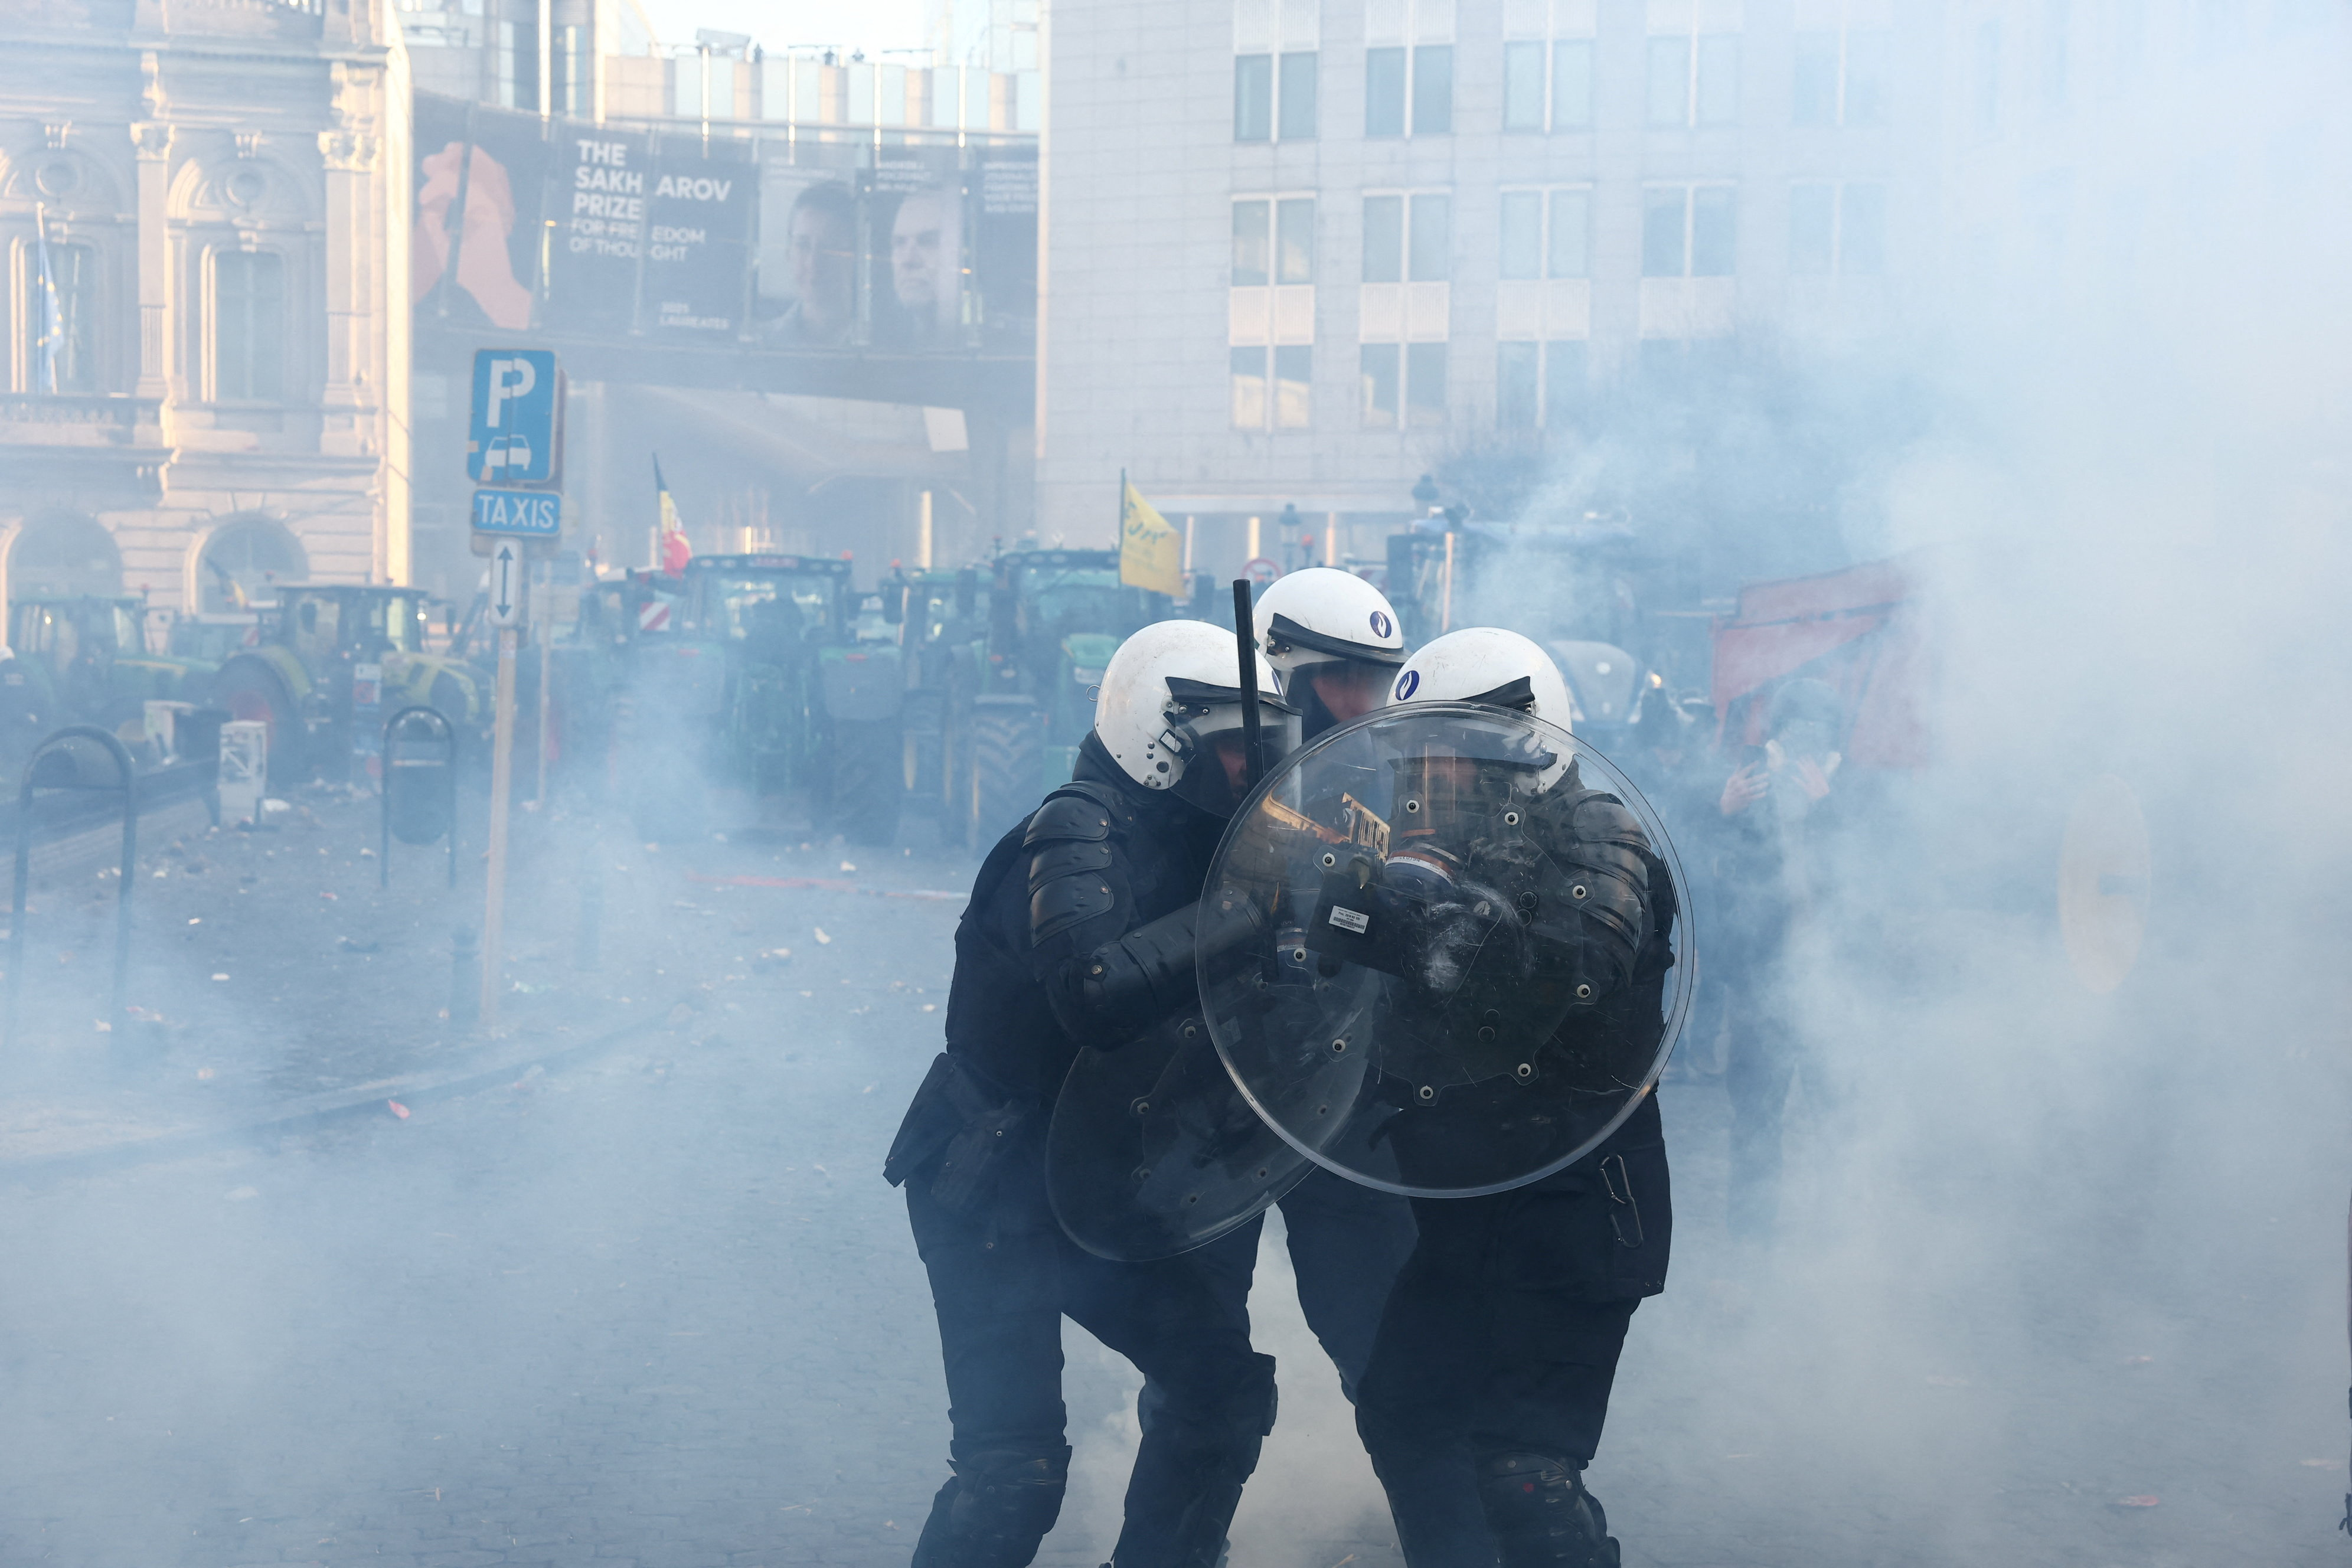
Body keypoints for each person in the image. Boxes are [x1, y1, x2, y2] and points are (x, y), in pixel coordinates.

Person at [884, 619, 1299, 1568]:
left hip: (1106, 1184)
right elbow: (1092, 990)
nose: (1253, 768)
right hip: (990, 1184)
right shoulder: (1077, 829)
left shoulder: (1226, 852)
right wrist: (1248, 913)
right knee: (1012, 1475)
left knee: (1221, 1393)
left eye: (1261, 745)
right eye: (1234, 746)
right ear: (1164, 736)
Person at [1353, 627, 1676, 1568]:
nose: (1430, 786)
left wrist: (1425, 926)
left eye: (1451, 761)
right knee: (1405, 1415)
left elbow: (1571, 974)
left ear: (1524, 750)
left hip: (1579, 1201)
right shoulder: (1432, 858)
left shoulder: (1601, 834)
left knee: (1527, 1473)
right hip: (1471, 1202)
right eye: (1417, 763)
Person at [1228, 566, 1422, 1399]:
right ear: (1284, 677)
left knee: (1384, 1336)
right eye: (1340, 677)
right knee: (1200, 1355)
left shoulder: (1403, 780)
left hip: (1343, 1084)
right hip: (1225, 1085)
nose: (1361, 702)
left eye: (1374, 679)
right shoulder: (1217, 773)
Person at [1713, 675, 1847, 1244]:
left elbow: (1871, 879)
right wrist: (1722, 811)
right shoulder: (1753, 782)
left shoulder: (1852, 791)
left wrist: (1826, 810)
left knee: (1838, 1122)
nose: (1803, 743)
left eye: (1816, 731)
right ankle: (1750, 1249)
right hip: (1759, 984)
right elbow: (1703, 870)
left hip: (1833, 986)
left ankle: (1839, 1243)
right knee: (1755, 1124)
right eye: (1793, 730)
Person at [765, 181, 855, 348]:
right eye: (803, 245)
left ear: (855, 257)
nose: (813, 262)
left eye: (830, 247)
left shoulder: (881, 346)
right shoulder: (762, 345)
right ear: (788, 252)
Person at [887, 185, 962, 348]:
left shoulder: (998, 345)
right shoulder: (886, 345)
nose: (908, 260)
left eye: (928, 242)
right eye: (899, 243)